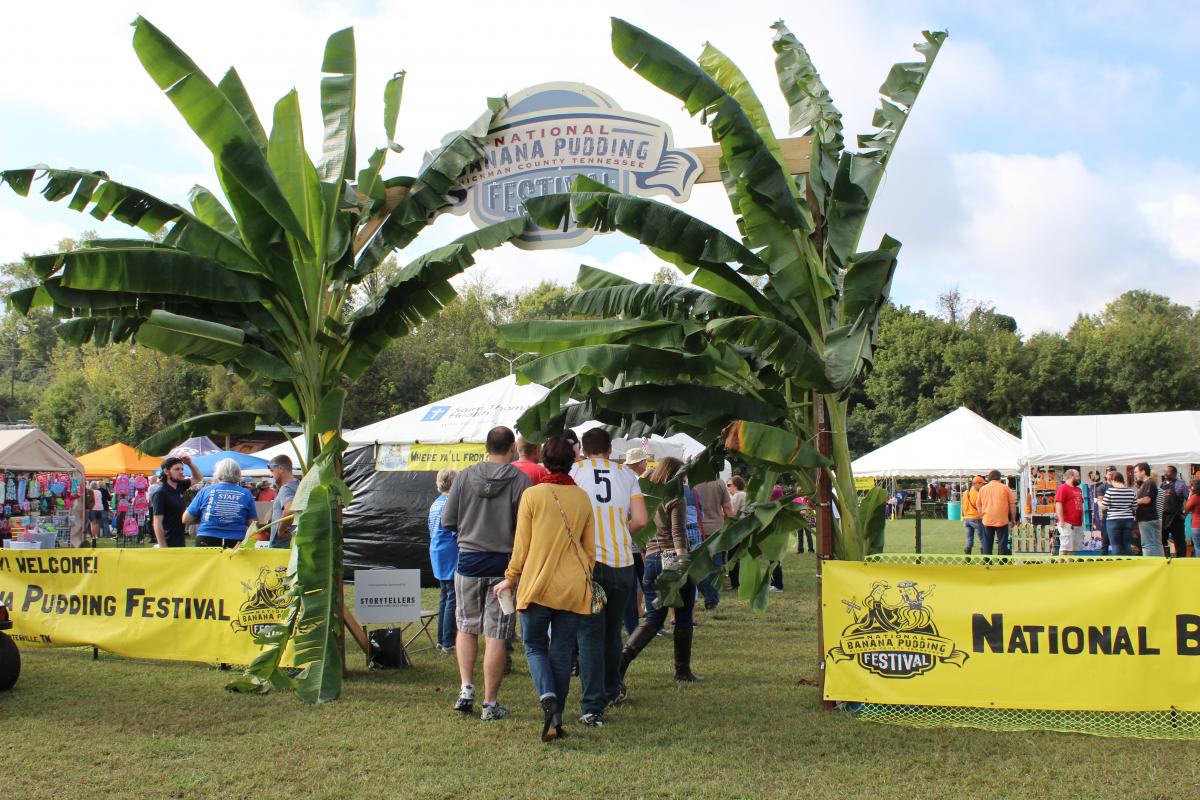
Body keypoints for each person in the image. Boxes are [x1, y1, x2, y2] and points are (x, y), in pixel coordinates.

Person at [491, 437, 594, 742]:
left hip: (537, 585)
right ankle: (557, 716)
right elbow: (590, 551)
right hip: (573, 588)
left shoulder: (532, 496)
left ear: (543, 461)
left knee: (535, 646)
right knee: (561, 652)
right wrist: (583, 575)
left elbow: (521, 546)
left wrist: (511, 577)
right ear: (573, 462)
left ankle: (547, 697)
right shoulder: (583, 499)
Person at [440, 425, 531, 720]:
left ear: (485, 447)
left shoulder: (464, 476)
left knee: (466, 626)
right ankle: (490, 704)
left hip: (468, 561)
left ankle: (466, 688)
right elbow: (526, 527)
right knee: (496, 634)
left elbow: (448, 521)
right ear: (512, 450)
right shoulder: (521, 480)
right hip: (503, 567)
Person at [570, 427, 648, 727]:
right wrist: (619, 532)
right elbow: (640, 519)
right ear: (611, 447)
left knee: (589, 634)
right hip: (622, 563)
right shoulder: (626, 476)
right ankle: (613, 688)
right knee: (612, 631)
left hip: (590, 563)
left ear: (583, 448)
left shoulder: (575, 472)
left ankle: (592, 705)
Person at [619, 456, 703, 690]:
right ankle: (682, 670)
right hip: (673, 558)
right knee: (684, 615)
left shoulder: (648, 497)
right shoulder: (675, 496)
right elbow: (678, 532)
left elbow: (642, 533)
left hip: (653, 559)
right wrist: (682, 562)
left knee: (653, 619)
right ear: (675, 474)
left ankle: (622, 661)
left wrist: (649, 559)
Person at [183, 458, 258, 549]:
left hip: (207, 538)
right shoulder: (246, 493)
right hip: (236, 541)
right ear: (238, 473)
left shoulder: (206, 491)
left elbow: (186, 519)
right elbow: (253, 523)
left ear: (217, 473)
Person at [428, 468, 459, 653]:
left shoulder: (435, 503)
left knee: (444, 595)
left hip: (436, 550)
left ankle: (441, 639)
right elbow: (456, 531)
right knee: (452, 597)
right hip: (450, 551)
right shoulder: (451, 504)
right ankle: (448, 641)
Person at [622, 447, 651, 636]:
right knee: (644, 585)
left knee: (634, 588)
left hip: (630, 544)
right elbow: (640, 518)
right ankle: (643, 626)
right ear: (640, 463)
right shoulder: (635, 483)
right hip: (635, 544)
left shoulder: (623, 480)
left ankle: (634, 626)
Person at [693, 478, 733, 610]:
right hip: (716, 530)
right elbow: (727, 508)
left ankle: (706, 594)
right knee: (715, 567)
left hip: (696, 530)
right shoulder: (719, 483)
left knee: (698, 567)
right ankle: (712, 599)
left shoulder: (692, 482)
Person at [151, 455, 203, 548]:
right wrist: (163, 546)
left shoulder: (180, 486)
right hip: (167, 543)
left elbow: (198, 478)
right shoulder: (160, 493)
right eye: (177, 469)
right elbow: (157, 522)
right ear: (166, 471)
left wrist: (190, 464)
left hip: (179, 541)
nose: (181, 472)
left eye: (182, 469)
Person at [978, 470, 1016, 556]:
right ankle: (1002, 563)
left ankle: (987, 562)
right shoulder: (1005, 488)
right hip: (1002, 520)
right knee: (1002, 543)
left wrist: (982, 516)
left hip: (987, 519)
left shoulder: (983, 489)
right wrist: (1013, 519)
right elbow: (1012, 504)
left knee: (987, 543)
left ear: (989, 478)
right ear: (1000, 478)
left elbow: (978, 505)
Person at [1099, 471, 1137, 555]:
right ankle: (1130, 564)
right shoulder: (1131, 492)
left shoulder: (1110, 491)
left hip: (1113, 521)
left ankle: (1119, 564)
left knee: (1116, 545)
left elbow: (1104, 506)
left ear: (1113, 480)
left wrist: (1098, 502)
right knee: (1127, 545)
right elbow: (1135, 507)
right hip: (1128, 520)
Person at [266, 454, 299, 549]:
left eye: (272, 471)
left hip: (281, 546)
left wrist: (281, 530)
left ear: (280, 469)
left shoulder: (286, 488)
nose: (271, 475)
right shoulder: (298, 485)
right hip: (291, 544)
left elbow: (290, 509)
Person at [1133, 462, 1163, 557]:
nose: (1135, 474)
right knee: (1156, 544)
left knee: (1147, 544)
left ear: (1143, 471)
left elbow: (1147, 499)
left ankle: (1150, 564)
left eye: (1136, 472)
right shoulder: (1145, 484)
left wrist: (1134, 501)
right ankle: (1160, 563)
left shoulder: (1149, 482)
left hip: (1148, 518)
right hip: (1149, 518)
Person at [1159, 466, 1189, 557]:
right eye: (1164, 472)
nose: (1165, 474)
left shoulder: (1181, 484)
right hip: (1164, 517)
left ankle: (1181, 560)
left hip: (1177, 517)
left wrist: (1185, 514)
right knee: (1162, 540)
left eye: (1167, 472)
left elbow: (1189, 499)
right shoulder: (1162, 485)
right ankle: (1165, 558)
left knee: (1179, 541)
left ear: (1174, 473)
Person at [1054, 469, 1084, 556]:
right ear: (1071, 476)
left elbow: (1080, 505)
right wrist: (1061, 520)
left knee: (1073, 549)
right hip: (1067, 523)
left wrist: (1081, 521)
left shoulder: (1078, 489)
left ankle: (1070, 567)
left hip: (1077, 523)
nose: (1079, 478)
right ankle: (1060, 568)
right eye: (1077, 476)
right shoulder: (1063, 488)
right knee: (1065, 548)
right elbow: (1058, 504)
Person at [962, 476, 984, 555]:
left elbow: (962, 506)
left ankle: (967, 560)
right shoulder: (978, 493)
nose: (983, 486)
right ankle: (985, 559)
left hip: (966, 518)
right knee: (982, 539)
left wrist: (964, 518)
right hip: (976, 518)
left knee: (969, 540)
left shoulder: (965, 493)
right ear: (977, 484)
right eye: (982, 484)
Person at [1184, 479, 1200, 557]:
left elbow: (1187, 508)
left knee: (1198, 547)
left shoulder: (1194, 497)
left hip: (1197, 525)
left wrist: (1190, 495)